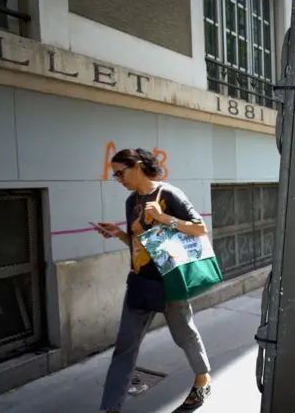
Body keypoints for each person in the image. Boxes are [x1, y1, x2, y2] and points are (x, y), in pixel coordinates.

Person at [94, 148, 211, 412]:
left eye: (120, 173)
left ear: (137, 166)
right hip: (140, 281)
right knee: (125, 347)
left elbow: (199, 227)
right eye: (115, 176)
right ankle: (110, 408)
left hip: (170, 280)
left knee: (184, 335)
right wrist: (119, 235)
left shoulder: (168, 194)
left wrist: (162, 217)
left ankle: (203, 377)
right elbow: (139, 243)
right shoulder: (130, 202)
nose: (119, 179)